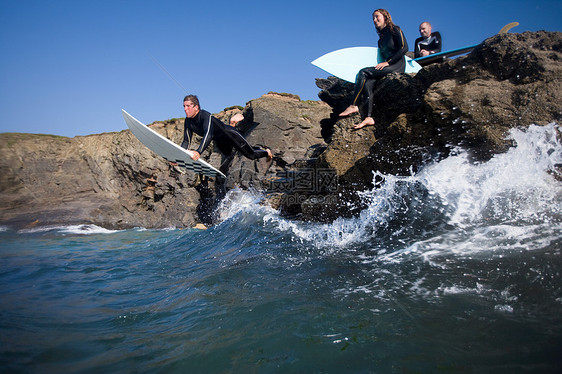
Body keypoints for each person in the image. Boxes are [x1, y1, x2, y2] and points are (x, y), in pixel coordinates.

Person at [339, 9, 409, 129]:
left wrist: (388, 62)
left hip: (397, 65)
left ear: (386, 17)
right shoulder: (381, 40)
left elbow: (404, 48)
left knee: (363, 72)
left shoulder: (395, 29)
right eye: (373, 19)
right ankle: (369, 117)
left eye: (377, 17)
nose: (375, 20)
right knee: (368, 83)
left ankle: (353, 105)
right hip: (387, 66)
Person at [180, 95, 273, 163]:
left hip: (230, 135)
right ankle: (232, 123)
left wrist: (198, 152)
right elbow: (186, 141)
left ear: (196, 107)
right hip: (220, 141)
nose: (185, 109)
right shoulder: (188, 121)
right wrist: (179, 157)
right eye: (184, 106)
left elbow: (208, 134)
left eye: (188, 106)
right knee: (229, 154)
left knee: (251, 155)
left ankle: (266, 152)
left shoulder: (205, 116)